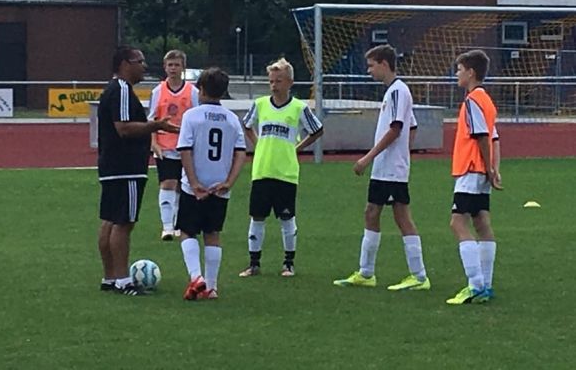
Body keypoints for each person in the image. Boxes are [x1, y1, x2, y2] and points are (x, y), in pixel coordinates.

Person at [334, 44, 430, 291]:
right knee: (379, 214)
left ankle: (416, 276)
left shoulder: (398, 91)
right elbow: (413, 126)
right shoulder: (394, 93)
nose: (369, 70)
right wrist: (403, 155)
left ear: (384, 64)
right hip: (389, 167)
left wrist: (368, 158)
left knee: (393, 216)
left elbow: (397, 128)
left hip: (389, 169)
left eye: (371, 65)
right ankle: (372, 273)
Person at [97, 47, 179, 296]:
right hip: (126, 167)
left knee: (110, 221)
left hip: (112, 166)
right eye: (139, 61)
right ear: (124, 64)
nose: (144, 66)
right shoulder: (121, 89)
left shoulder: (113, 89)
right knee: (124, 222)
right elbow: (123, 128)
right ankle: (123, 280)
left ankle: (110, 277)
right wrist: (156, 125)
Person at [239, 58, 323, 278]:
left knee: (287, 218)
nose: (274, 85)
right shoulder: (260, 104)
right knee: (257, 217)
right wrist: (259, 145)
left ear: (289, 82)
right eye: (271, 81)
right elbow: (246, 126)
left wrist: (298, 147)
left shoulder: (298, 108)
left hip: (286, 172)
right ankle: (254, 263)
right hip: (262, 169)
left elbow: (317, 130)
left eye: (278, 80)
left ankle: (288, 263)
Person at [176, 67, 247, 300]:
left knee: (187, 232)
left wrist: (194, 182)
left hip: (194, 187)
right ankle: (212, 287)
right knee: (213, 233)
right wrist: (229, 182)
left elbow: (185, 150)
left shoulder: (191, 116)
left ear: (202, 89)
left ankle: (197, 277)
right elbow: (240, 154)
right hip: (219, 186)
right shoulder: (232, 119)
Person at [446, 49, 502, 305]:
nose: (456, 74)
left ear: (470, 72)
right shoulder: (487, 101)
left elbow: (481, 136)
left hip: (470, 169)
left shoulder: (472, 101)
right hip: (481, 171)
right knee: (482, 223)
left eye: (459, 69)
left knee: (458, 223)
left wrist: (488, 168)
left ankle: (476, 284)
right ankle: (486, 285)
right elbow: (495, 137)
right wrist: (494, 168)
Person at [149, 50, 199, 241]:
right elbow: (152, 118)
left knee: (183, 186)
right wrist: (153, 143)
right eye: (170, 65)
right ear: (165, 67)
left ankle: (180, 223)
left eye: (176, 65)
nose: (173, 69)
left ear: (183, 67)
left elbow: (197, 118)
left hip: (186, 148)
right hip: (165, 146)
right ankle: (167, 226)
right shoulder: (158, 91)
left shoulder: (192, 92)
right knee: (168, 183)